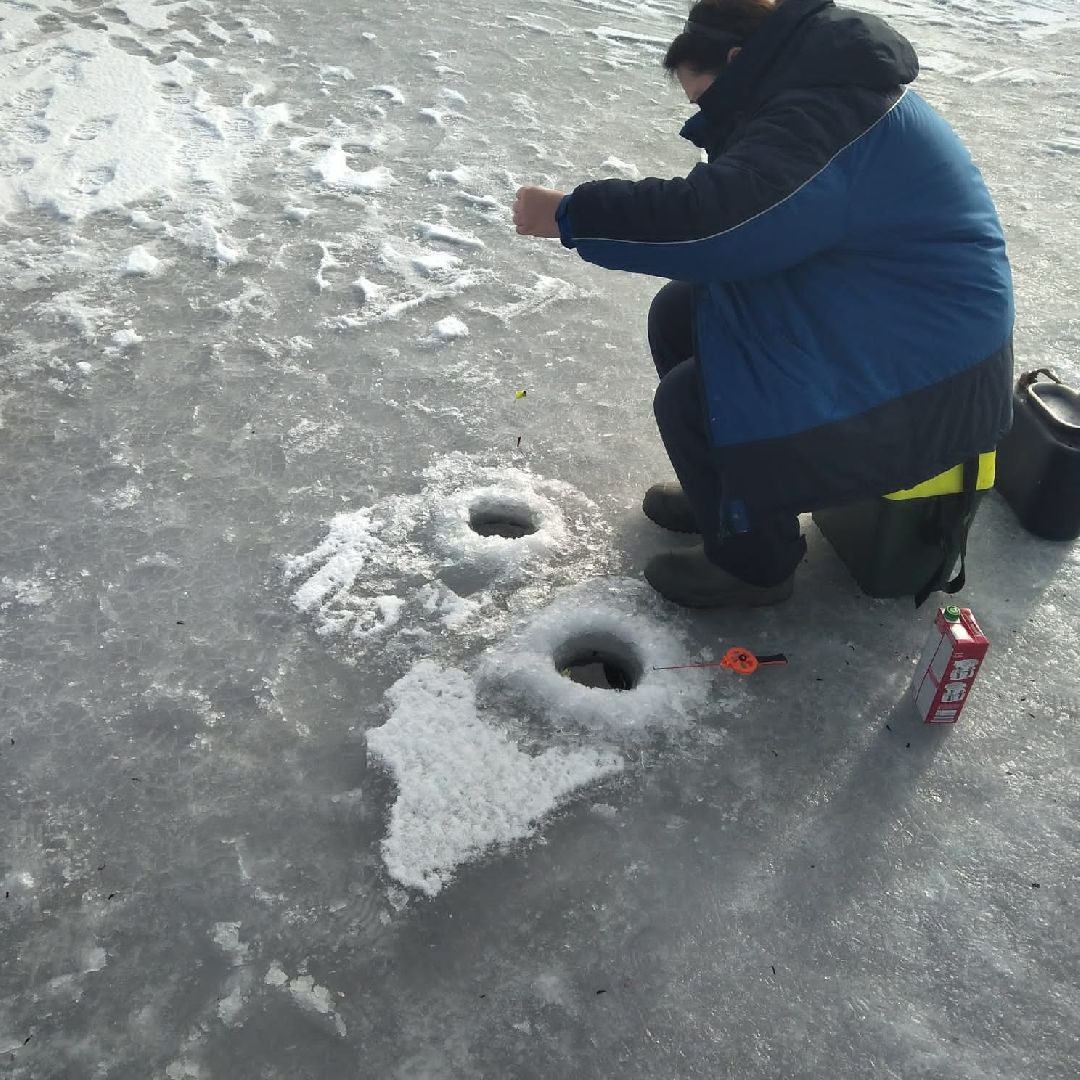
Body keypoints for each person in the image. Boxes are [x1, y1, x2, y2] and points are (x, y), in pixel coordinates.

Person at [512, 0, 1014, 608]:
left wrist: (570, 214)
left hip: (930, 386)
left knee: (694, 399)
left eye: (707, 100)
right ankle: (736, 501)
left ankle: (755, 566)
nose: (709, 117)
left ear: (737, 60)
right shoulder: (825, 86)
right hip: (895, 328)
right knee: (682, 311)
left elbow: (717, 221)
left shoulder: (826, 112)